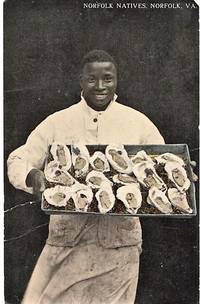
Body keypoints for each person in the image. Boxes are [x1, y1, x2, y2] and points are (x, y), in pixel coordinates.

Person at [7, 50, 164, 304]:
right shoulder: (57, 122)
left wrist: (177, 167)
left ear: (117, 80)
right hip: (67, 243)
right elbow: (17, 160)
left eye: (108, 78)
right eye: (92, 79)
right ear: (80, 81)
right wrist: (31, 175)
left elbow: (160, 164)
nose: (100, 86)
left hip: (119, 247)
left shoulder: (138, 122)